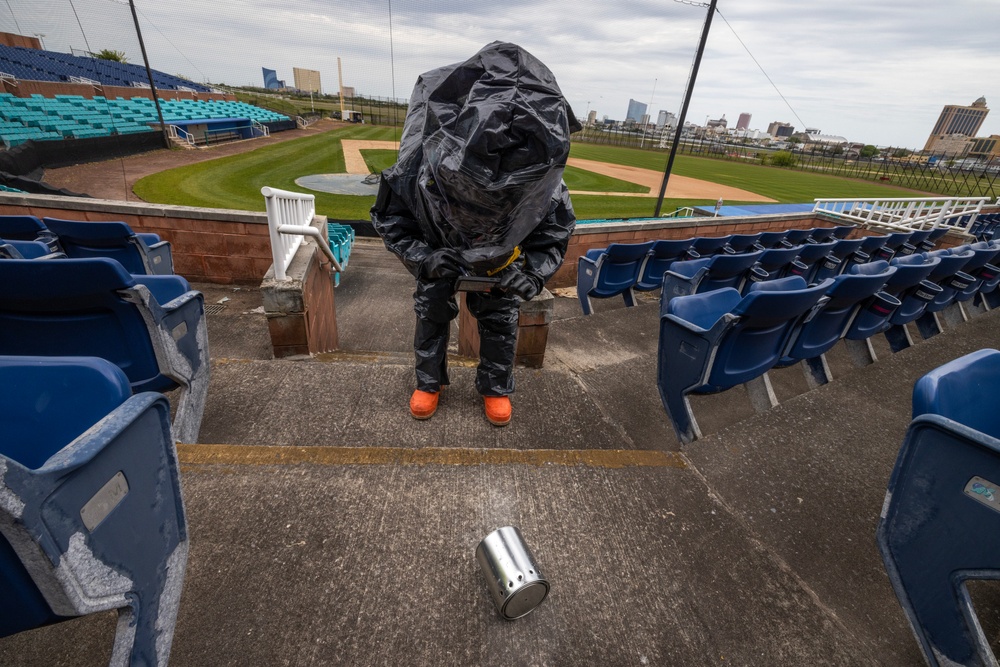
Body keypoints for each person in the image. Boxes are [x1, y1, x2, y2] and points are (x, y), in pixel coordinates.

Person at [371, 41, 580, 426]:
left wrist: (532, 271)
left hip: (501, 259)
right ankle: (429, 382)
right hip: (441, 249)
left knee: (501, 317)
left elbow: (554, 229)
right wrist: (423, 258)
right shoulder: (417, 165)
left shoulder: (543, 182)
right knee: (431, 308)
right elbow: (392, 218)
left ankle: (496, 387)